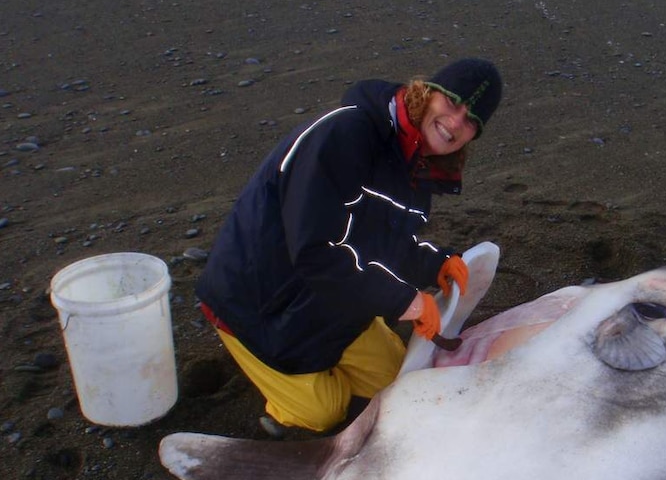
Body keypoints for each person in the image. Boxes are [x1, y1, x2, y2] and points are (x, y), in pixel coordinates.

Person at [195, 58, 502, 435]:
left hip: (329, 300)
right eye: (453, 103)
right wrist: (403, 301)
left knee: (398, 380)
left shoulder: (421, 164)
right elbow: (314, 251)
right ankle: (281, 398)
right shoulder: (345, 134)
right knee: (325, 411)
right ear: (429, 92)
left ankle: (316, 366)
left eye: (471, 120)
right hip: (260, 303)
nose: (455, 123)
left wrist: (431, 264)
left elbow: (381, 239)